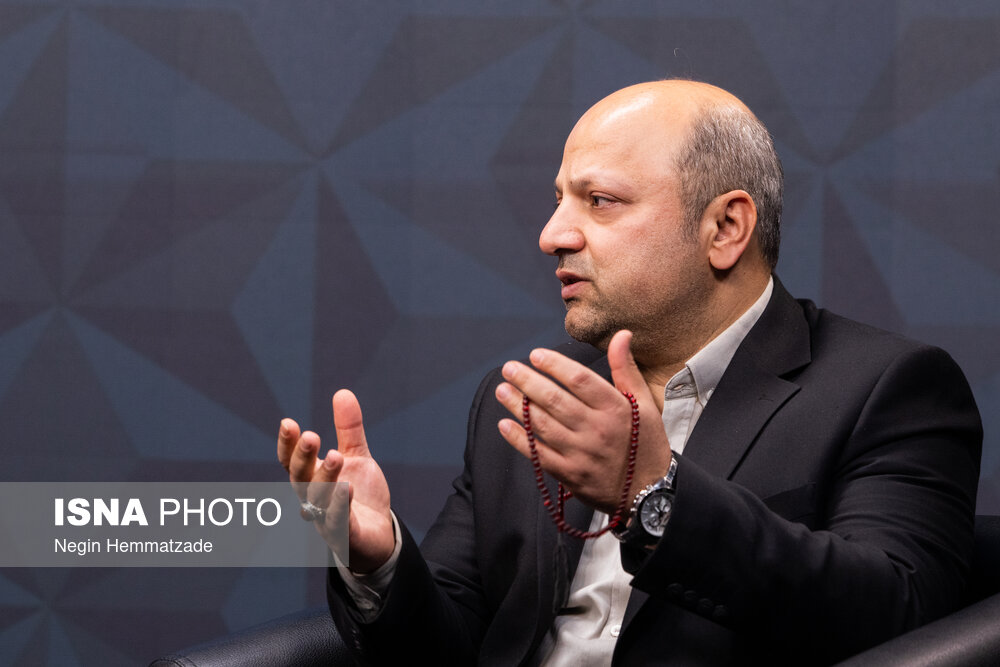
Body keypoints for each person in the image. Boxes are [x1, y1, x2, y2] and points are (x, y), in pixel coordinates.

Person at [277, 80, 982, 665]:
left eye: (600, 200)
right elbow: (450, 646)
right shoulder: (529, 399)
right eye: (558, 199)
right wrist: (379, 560)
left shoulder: (889, 389)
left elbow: (899, 616)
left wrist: (654, 494)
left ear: (725, 228)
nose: (553, 234)